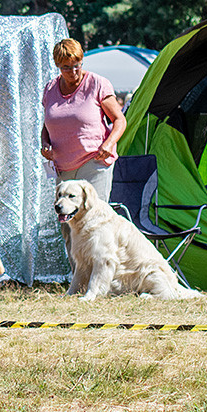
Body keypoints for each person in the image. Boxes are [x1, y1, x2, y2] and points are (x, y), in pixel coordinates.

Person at [41, 38, 127, 262]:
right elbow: (47, 125)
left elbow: (119, 120)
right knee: (68, 225)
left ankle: (101, 276)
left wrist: (108, 144)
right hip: (63, 167)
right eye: (66, 67)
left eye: (77, 64)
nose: (73, 71)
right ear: (58, 66)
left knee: (93, 222)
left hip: (93, 162)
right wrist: (45, 144)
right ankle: (77, 279)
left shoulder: (98, 84)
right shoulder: (50, 88)